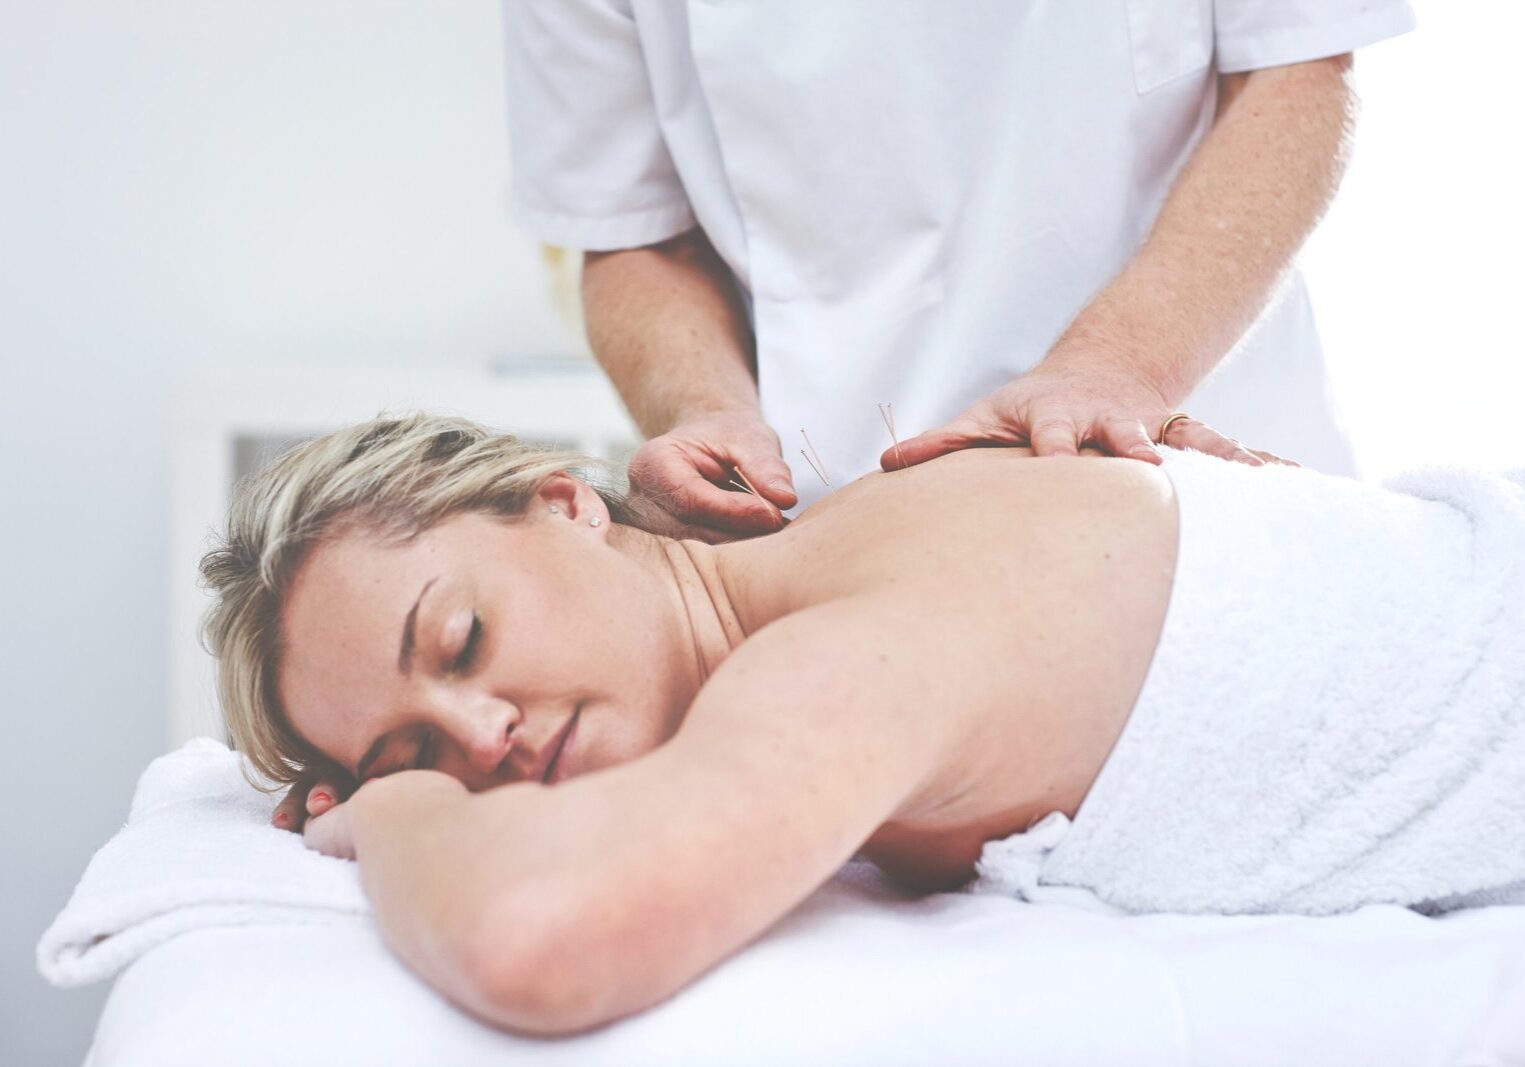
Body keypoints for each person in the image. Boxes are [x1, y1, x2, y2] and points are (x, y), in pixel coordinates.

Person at [200, 413, 1525, 1036]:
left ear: (563, 502)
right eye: (415, 746)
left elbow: (537, 941)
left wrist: (399, 809)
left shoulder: (840, 649)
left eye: (459, 641)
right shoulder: (838, 549)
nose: (479, 734)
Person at [500, 1, 1416, 541]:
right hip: (832, 519)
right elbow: (632, 234)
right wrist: (704, 410)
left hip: (1193, 463)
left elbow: (1295, 73)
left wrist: (1119, 368)